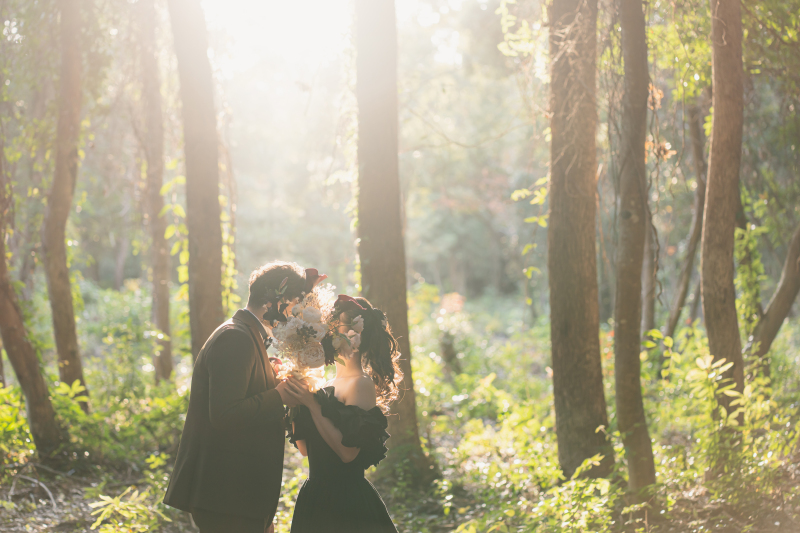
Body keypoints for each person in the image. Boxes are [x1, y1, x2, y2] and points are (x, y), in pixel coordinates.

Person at [163, 261, 326, 533]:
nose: (295, 315)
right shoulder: (235, 338)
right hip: (226, 497)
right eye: (293, 305)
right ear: (274, 300)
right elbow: (225, 414)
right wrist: (278, 395)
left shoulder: (248, 335)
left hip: (241, 496)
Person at [283, 295, 399, 533]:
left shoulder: (361, 384)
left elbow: (348, 454)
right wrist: (297, 398)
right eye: (330, 325)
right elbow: (305, 449)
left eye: (339, 326)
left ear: (358, 335)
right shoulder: (325, 383)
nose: (329, 330)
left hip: (345, 502)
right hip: (315, 497)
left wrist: (313, 405)